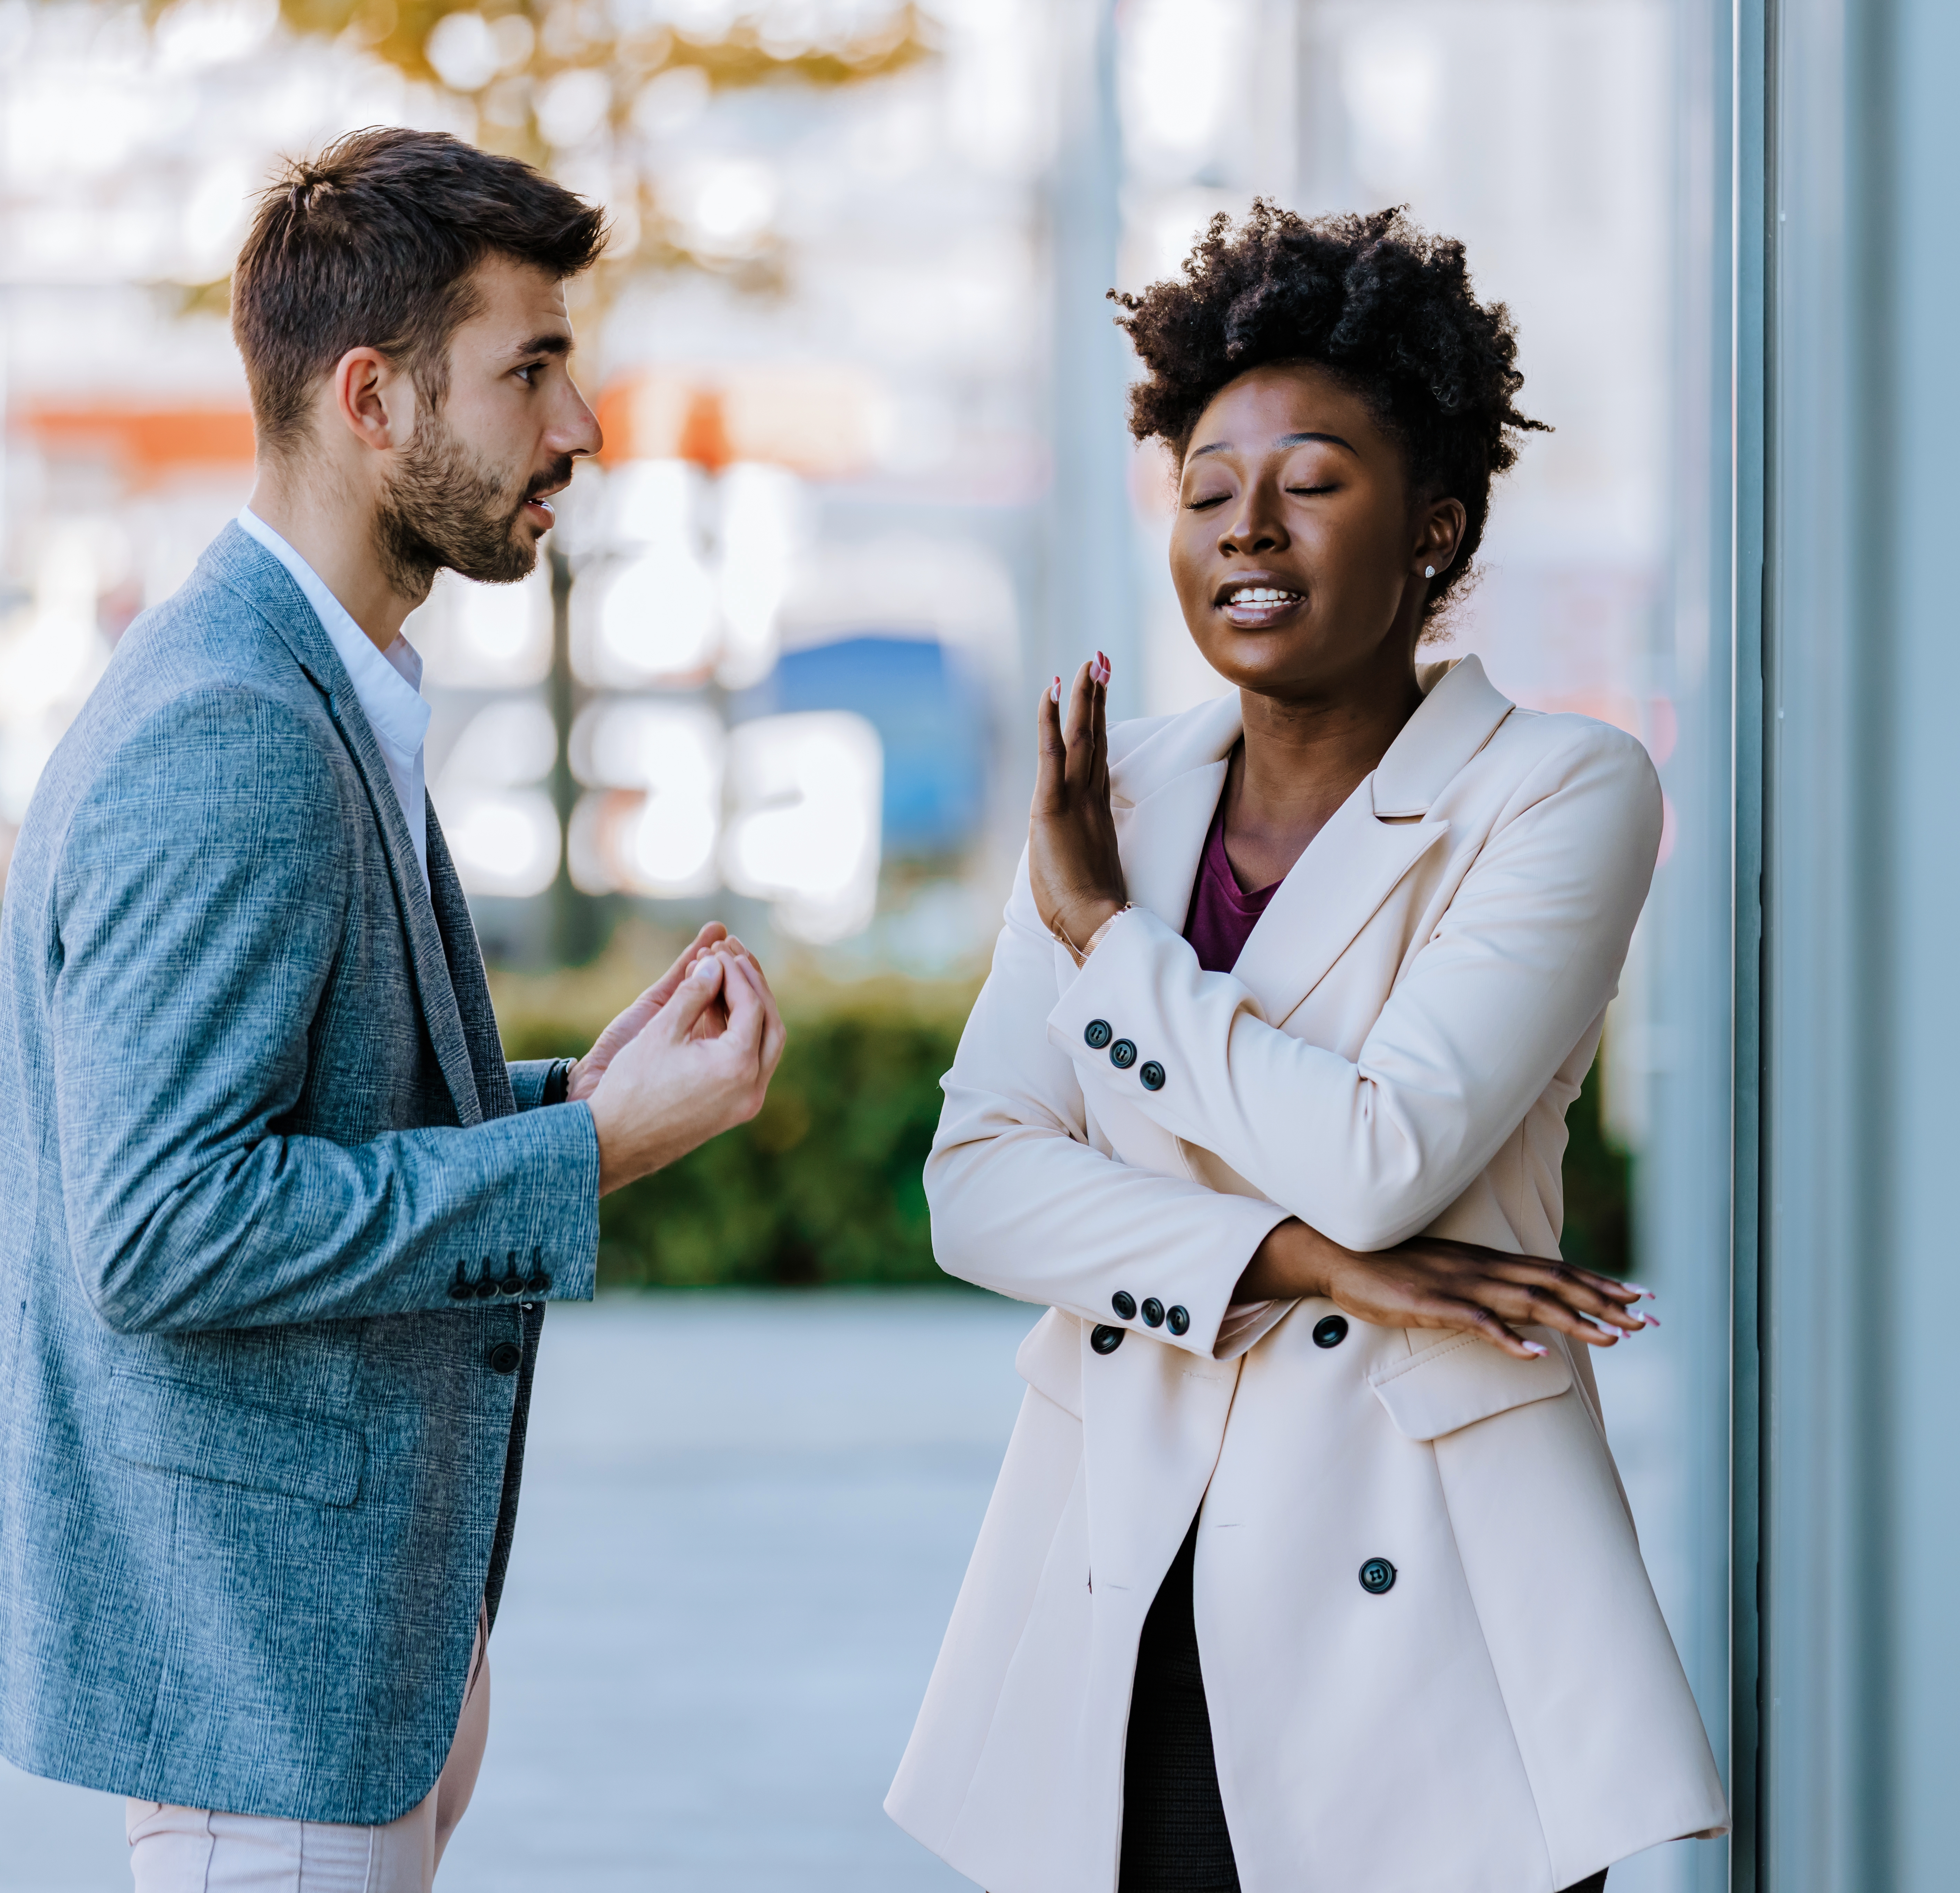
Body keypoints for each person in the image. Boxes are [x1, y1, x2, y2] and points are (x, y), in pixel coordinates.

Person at [886, 203, 1727, 1893]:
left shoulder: (1557, 791)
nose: (1242, 529)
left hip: (1423, 1618)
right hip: (1120, 1596)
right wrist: (1291, 1256)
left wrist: (1111, 948)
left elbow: (1381, 1150)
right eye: (1203, 491)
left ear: (1437, 522)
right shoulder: (1110, 800)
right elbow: (976, 1189)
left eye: (1311, 481)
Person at [0, 128, 784, 1891]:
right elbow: (166, 1229)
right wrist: (582, 1155)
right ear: (373, 397)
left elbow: (303, 1111)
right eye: (532, 370)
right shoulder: (237, 729)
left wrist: (581, 1092)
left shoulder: (305, 680)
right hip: (257, 1690)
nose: (578, 428)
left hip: (333, 1667)